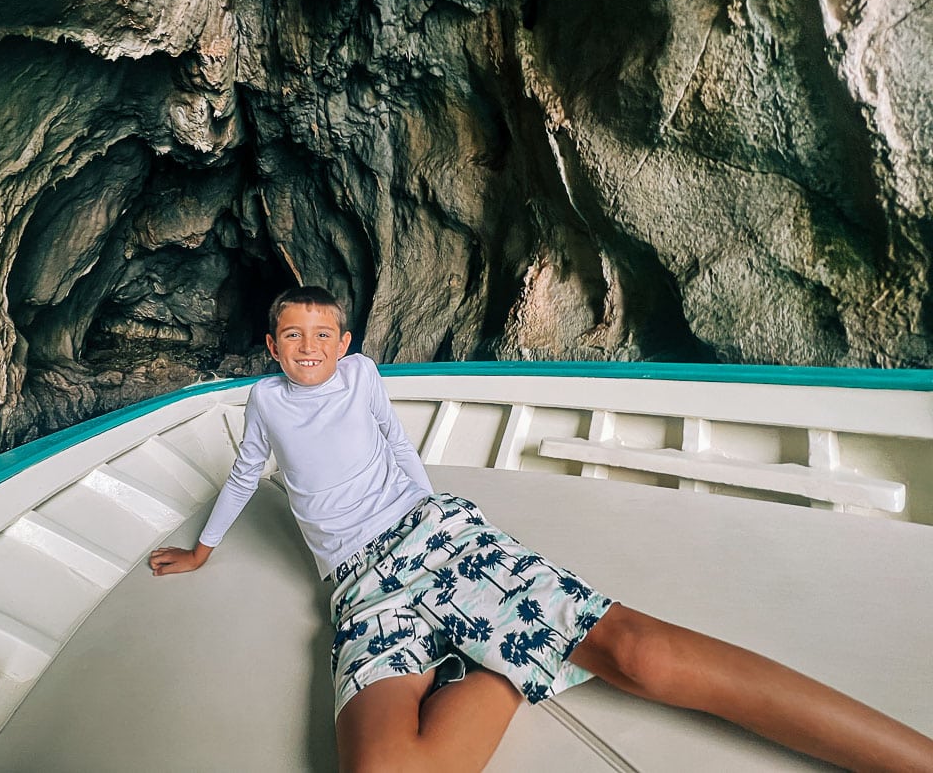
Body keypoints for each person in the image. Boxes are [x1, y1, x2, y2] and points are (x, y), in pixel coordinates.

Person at [150, 286, 933, 772]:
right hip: (360, 588)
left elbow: (394, 444)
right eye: (293, 336)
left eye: (324, 335)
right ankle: (501, 665)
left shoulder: (361, 375)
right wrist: (203, 550)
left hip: (437, 537)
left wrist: (433, 517)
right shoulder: (262, 403)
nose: (310, 350)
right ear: (272, 345)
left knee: (642, 657)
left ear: (345, 344)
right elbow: (248, 475)